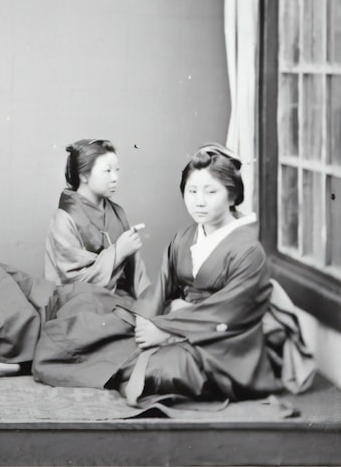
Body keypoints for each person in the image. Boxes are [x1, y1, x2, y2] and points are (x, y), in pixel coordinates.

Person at [36, 144, 314, 405]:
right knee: (84, 335)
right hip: (180, 321)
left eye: (211, 192)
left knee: (147, 368)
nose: (199, 202)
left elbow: (229, 311)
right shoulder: (185, 238)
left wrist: (166, 328)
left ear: (232, 195)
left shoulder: (248, 248)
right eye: (192, 192)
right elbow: (161, 288)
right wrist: (144, 321)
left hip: (227, 341)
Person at [44, 139, 149, 299]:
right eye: (107, 171)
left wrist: (149, 303)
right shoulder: (64, 218)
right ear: (84, 175)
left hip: (120, 299)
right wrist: (118, 252)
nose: (115, 178)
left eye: (117, 170)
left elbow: (137, 275)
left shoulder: (117, 212)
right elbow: (72, 282)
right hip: (79, 303)